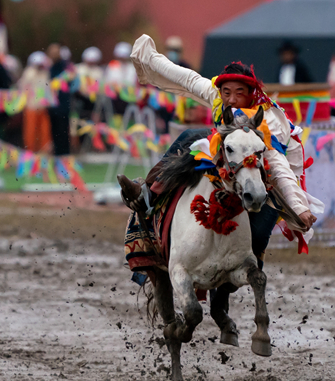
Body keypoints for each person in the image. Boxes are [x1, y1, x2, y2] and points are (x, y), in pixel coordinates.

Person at [120, 34, 319, 276]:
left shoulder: (267, 120)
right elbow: (184, 77)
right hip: (228, 161)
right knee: (191, 135)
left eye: (239, 93)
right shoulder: (217, 95)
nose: (232, 99)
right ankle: (148, 193)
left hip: (264, 175)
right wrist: (149, 57)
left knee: (257, 235)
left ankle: (252, 273)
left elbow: (279, 167)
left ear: (251, 94)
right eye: (227, 93)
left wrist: (300, 208)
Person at [18, 51, 52, 152]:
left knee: (44, 130)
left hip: (43, 107)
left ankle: (44, 150)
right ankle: (31, 150)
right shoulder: (29, 73)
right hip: (31, 107)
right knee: (31, 130)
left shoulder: (45, 73)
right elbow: (22, 88)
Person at [47, 43, 71, 155]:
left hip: (63, 104)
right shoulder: (49, 68)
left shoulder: (65, 67)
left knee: (63, 130)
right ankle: (57, 152)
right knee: (54, 130)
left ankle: (64, 153)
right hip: (52, 105)